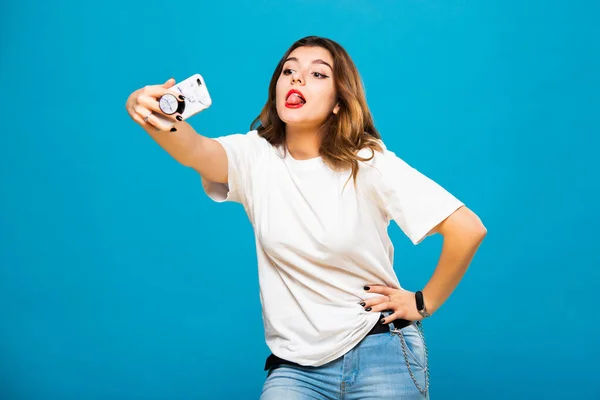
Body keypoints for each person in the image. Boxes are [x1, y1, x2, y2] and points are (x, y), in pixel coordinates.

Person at [125, 36, 487, 399]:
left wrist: (422, 303)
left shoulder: (367, 163)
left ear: (338, 102)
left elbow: (467, 228)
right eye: (289, 70)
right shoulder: (254, 157)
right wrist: (143, 105)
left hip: (382, 351)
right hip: (296, 368)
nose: (297, 79)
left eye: (317, 74)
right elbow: (193, 149)